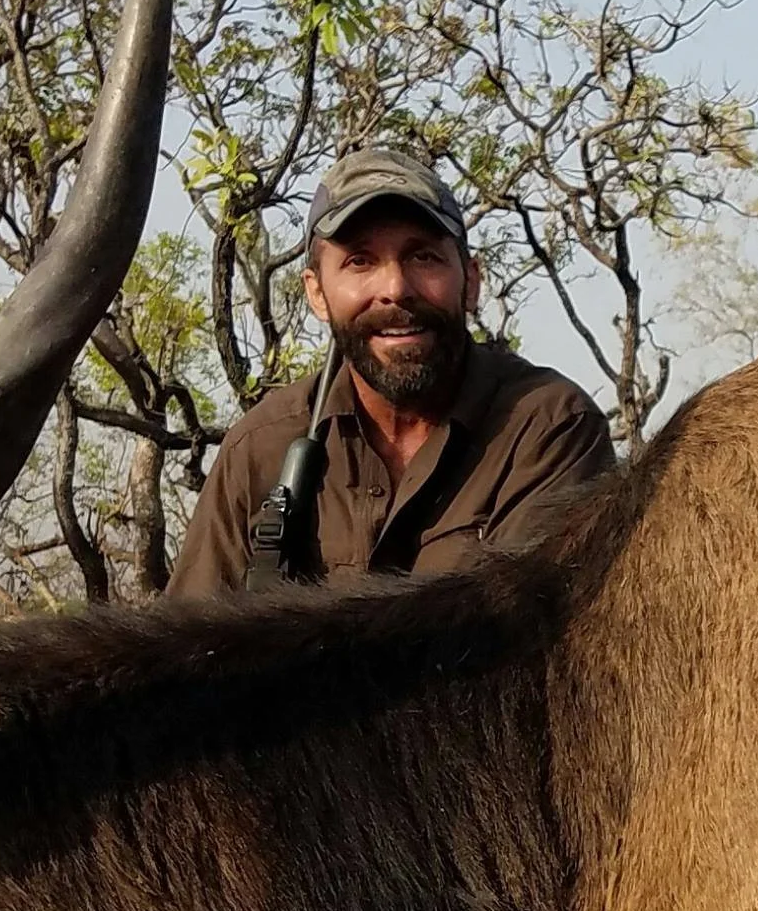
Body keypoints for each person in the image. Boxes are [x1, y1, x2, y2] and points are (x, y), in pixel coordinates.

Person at [169, 148, 616, 596]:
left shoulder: (550, 428)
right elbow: (185, 650)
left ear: (471, 281)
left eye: (423, 257)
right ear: (317, 293)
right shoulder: (259, 450)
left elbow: (525, 646)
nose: (395, 290)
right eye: (359, 261)